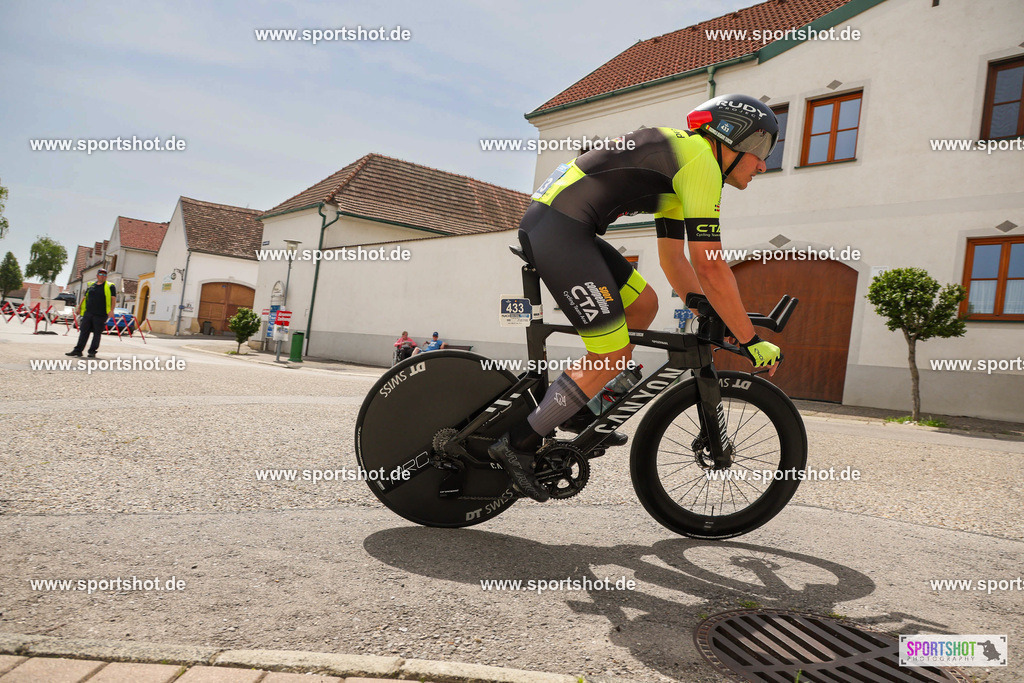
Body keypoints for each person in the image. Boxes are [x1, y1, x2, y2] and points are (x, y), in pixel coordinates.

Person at [489, 94, 785, 502]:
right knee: (613, 354)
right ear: (730, 138)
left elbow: (672, 258)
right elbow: (711, 266)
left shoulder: (684, 164)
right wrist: (749, 340)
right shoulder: (700, 162)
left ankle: (573, 403)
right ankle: (517, 443)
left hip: (566, 228)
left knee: (644, 304)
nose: (764, 164)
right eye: (760, 150)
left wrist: (701, 304)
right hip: (560, 230)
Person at [66, 268, 116, 358]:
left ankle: (92, 352)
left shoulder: (110, 286)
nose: (103, 276)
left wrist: (112, 310)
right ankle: (78, 350)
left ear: (106, 277)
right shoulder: (91, 285)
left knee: (97, 334)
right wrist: (79, 308)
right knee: (84, 332)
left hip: (101, 314)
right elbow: (85, 297)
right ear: (97, 275)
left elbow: (113, 299)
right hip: (88, 313)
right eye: (101, 274)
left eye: (105, 275)